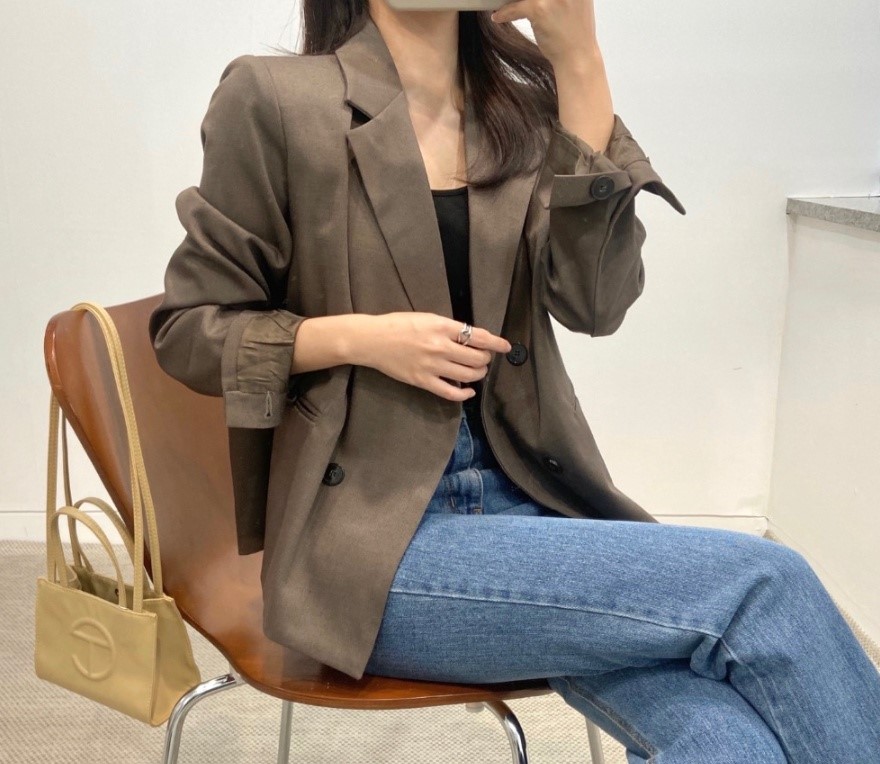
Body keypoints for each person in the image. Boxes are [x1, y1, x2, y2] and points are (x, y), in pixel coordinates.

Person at [150, 1, 880, 761]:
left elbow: (595, 305)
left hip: (531, 504)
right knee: (765, 585)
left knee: (726, 740)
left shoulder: (520, 114)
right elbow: (191, 329)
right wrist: (364, 339)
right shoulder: (277, 99)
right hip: (372, 545)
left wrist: (580, 62)